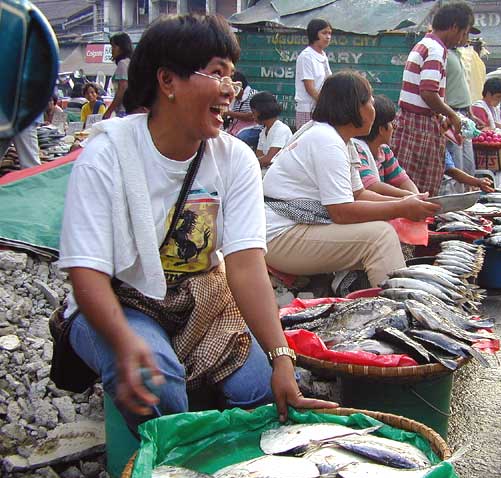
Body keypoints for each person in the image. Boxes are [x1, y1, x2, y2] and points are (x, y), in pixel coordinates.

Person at [56, 14, 336, 430]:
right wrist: (122, 342)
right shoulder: (107, 154)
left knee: (259, 395)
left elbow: (245, 264)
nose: (230, 89)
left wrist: (281, 355)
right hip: (121, 300)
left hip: (200, 299)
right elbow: (87, 272)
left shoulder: (235, 158)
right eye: (217, 72)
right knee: (160, 387)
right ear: (167, 81)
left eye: (231, 76)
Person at [263, 71, 440, 288]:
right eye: (370, 102)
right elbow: (342, 212)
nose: (373, 111)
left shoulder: (341, 140)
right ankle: (396, 309)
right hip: (281, 236)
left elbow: (359, 194)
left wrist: (410, 201)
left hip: (295, 229)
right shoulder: (327, 141)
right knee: (379, 236)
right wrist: (402, 208)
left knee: (380, 227)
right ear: (354, 107)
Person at [391, 2, 476, 196]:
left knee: (408, 185)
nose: (463, 40)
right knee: (420, 189)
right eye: (464, 33)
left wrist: (442, 116)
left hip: (413, 121)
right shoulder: (436, 50)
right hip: (419, 126)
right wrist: (452, 115)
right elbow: (428, 92)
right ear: (454, 27)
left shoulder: (424, 44)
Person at [354, 94, 491, 197]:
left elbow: (402, 178)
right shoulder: (358, 150)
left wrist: (416, 196)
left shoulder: (384, 151)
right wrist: (408, 198)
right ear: (381, 129)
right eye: (391, 124)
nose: (394, 127)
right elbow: (371, 185)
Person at [444, 25, 480, 191]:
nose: (467, 38)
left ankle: (468, 201)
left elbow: (461, 85)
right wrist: (449, 116)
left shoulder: (459, 55)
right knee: (456, 165)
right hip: (452, 114)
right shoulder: (442, 54)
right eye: (465, 33)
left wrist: (469, 110)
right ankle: (458, 203)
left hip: (463, 114)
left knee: (468, 163)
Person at [294, 19, 332, 129]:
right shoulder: (306, 56)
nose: (328, 37)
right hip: (308, 109)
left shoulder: (323, 55)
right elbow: (309, 88)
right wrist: (325, 103)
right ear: (314, 34)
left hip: (320, 108)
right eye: (324, 33)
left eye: (329, 33)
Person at [250, 91, 292, 168]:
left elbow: (268, 159)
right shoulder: (263, 131)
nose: (252, 116)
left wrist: (250, 164)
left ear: (261, 111)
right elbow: (259, 155)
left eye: (253, 113)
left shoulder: (281, 130)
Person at [225, 71, 262, 150]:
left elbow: (252, 116)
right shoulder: (233, 98)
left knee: (240, 138)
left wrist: (229, 113)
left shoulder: (253, 95)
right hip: (236, 126)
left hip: (254, 128)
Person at [103, 32, 132, 119]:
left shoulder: (122, 64)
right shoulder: (130, 62)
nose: (112, 50)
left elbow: (122, 89)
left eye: (114, 47)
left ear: (121, 48)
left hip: (124, 110)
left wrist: (109, 111)